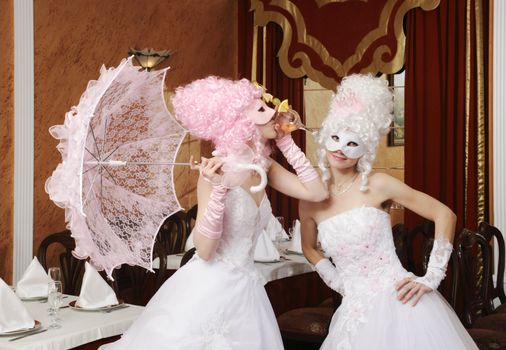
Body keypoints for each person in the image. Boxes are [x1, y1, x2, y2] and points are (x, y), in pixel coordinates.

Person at [101, 76, 328, 349]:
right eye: (261, 110)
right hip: (208, 293)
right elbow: (206, 251)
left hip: (247, 293)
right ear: (236, 122)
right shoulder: (214, 171)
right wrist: (218, 190)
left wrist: (287, 142)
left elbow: (317, 193)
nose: (273, 113)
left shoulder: (262, 165)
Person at [299, 74, 478, 350]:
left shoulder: (378, 184)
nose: (341, 149)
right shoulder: (310, 199)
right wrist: (342, 285)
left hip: (400, 303)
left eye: (352, 142)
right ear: (324, 137)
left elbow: (445, 214)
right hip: (354, 313)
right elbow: (309, 248)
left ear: (365, 147)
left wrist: (432, 276)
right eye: (335, 137)